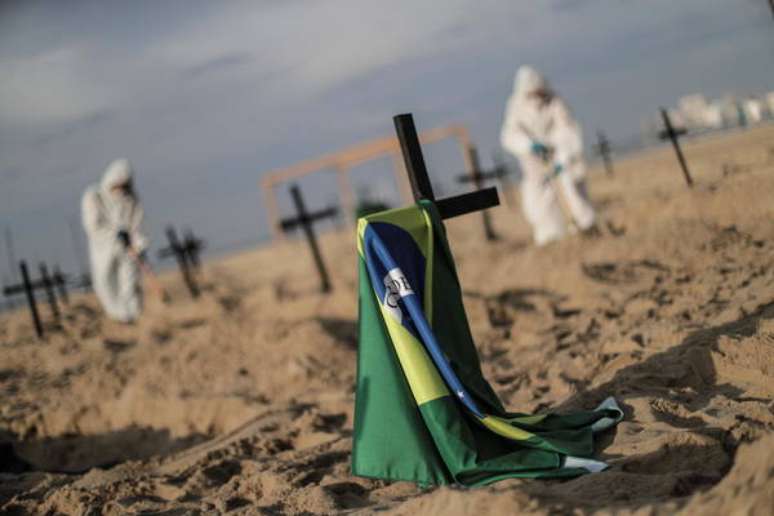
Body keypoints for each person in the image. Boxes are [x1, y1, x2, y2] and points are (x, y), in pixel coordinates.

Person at [500, 66, 596, 245]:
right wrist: (530, 145)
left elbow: (567, 129)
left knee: (571, 190)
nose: (535, 96)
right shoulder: (515, 106)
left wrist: (563, 156)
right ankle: (550, 237)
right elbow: (509, 135)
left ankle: (585, 227)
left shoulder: (554, 101)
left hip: (559, 156)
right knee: (539, 201)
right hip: (534, 164)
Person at [81, 159, 148, 322]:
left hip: (127, 251)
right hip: (103, 250)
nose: (121, 189)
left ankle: (134, 316)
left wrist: (138, 244)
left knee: (130, 283)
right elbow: (93, 226)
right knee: (105, 283)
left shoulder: (132, 199)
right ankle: (118, 317)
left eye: (125, 185)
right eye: (119, 184)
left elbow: (138, 226)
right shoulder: (94, 196)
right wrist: (115, 234)